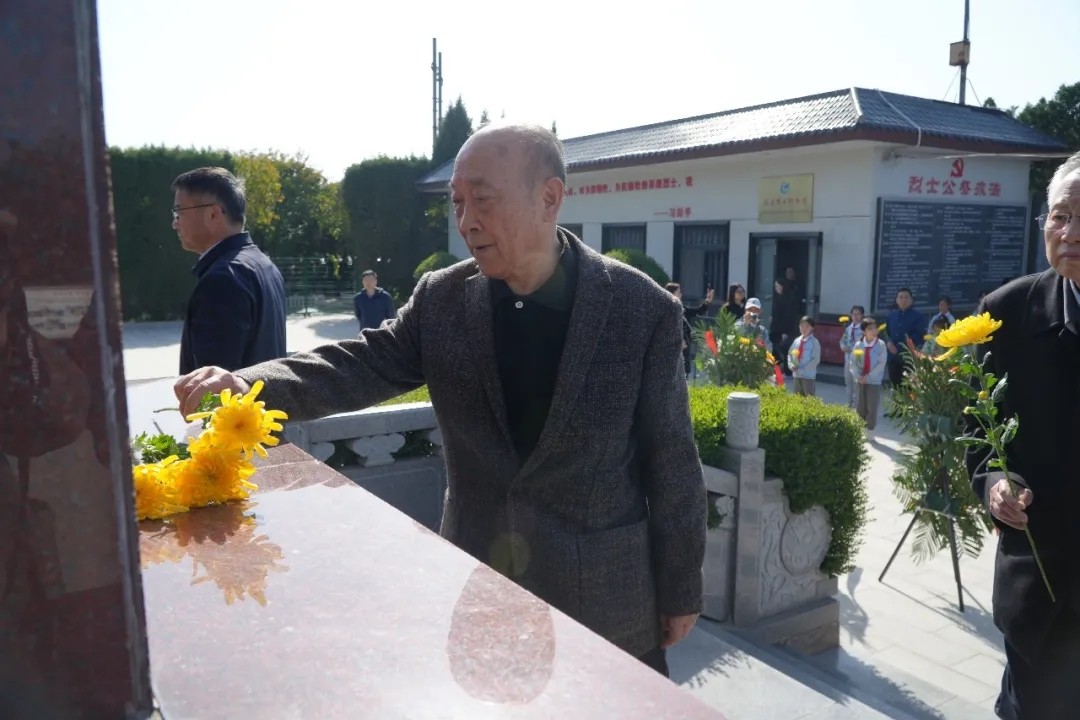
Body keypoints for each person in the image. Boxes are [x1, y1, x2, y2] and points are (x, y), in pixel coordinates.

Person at [174, 124, 707, 677]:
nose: (466, 220)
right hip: (481, 585)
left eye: (483, 200)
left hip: (605, 605)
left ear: (549, 198)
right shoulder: (443, 299)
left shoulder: (640, 309)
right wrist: (249, 386)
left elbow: (671, 461)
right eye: (457, 202)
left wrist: (680, 588)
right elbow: (362, 362)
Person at [965, 152, 1080, 720]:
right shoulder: (1006, 314)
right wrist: (995, 482)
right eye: (1060, 216)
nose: (1070, 234)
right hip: (1043, 591)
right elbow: (978, 433)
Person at [171, 167, 287, 375]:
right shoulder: (264, 265)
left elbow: (214, 384)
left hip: (240, 398)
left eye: (179, 213)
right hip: (266, 395)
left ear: (213, 214)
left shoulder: (222, 279)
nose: (174, 224)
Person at [665, 282, 714, 376]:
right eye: (679, 292)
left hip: (685, 345)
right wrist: (679, 340)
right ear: (672, 294)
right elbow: (669, 328)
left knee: (685, 371)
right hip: (673, 347)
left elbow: (699, 310)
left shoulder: (682, 309)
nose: (681, 294)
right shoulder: (667, 310)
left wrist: (708, 300)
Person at [883, 288, 925, 388]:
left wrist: (899, 348)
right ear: (897, 300)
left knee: (909, 388)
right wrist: (888, 343)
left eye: (906, 297)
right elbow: (886, 333)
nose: (903, 300)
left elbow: (917, 336)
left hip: (908, 358)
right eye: (901, 297)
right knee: (895, 387)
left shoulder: (918, 317)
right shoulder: (891, 316)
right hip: (893, 358)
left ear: (911, 300)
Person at [850, 318, 886, 431]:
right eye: (870, 329)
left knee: (872, 406)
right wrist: (857, 376)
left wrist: (869, 376)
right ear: (863, 332)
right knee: (860, 405)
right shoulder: (858, 345)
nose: (873, 331)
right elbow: (853, 362)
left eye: (875, 328)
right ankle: (859, 428)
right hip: (860, 380)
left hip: (873, 381)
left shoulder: (881, 345)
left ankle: (870, 429)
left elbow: (881, 363)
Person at [770, 279, 800, 375]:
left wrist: (785, 331)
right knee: (775, 348)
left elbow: (788, 317)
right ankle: (779, 368)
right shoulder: (777, 298)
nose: (777, 288)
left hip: (784, 329)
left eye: (778, 286)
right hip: (775, 328)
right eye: (775, 286)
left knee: (785, 349)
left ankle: (786, 369)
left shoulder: (788, 300)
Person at [838, 306, 865, 409]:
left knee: (856, 384)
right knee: (848, 383)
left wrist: (852, 348)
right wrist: (842, 346)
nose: (855, 316)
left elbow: (862, 344)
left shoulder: (863, 329)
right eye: (854, 314)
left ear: (862, 315)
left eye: (858, 314)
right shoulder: (848, 329)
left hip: (858, 361)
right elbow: (843, 340)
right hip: (848, 360)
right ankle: (849, 403)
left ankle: (857, 405)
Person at [787, 316, 820, 396]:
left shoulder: (814, 342)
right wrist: (791, 365)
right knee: (797, 398)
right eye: (802, 326)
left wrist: (802, 370)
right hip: (796, 375)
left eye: (807, 326)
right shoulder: (796, 341)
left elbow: (815, 360)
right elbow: (790, 354)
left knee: (809, 398)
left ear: (812, 328)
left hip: (808, 376)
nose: (804, 328)